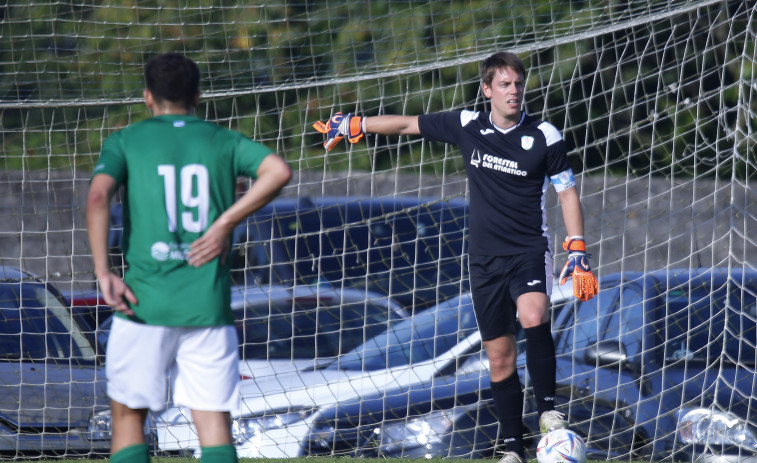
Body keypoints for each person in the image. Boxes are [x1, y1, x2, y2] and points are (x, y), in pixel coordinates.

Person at [313, 51, 598, 463]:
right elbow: (409, 124)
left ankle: (549, 410)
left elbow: (567, 191)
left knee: (534, 316)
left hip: (528, 252)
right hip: (483, 261)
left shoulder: (544, 136)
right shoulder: (468, 125)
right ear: (487, 90)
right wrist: (357, 124)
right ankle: (514, 448)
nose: (513, 91)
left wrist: (577, 245)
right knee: (499, 358)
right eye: (504, 85)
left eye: (518, 84)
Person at [87, 53, 292, 463]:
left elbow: (97, 196)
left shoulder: (126, 140)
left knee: (128, 421)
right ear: (198, 96)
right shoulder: (222, 139)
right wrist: (223, 223)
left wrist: (103, 271)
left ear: (148, 97)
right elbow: (278, 171)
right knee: (215, 430)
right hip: (208, 309)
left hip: (143, 304)